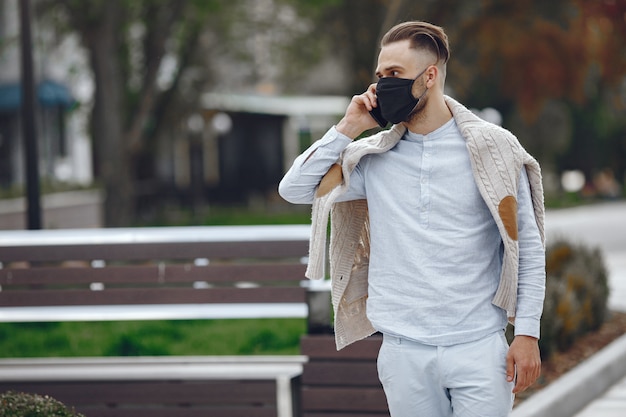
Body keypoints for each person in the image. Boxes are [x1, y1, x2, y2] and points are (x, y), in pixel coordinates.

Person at [279, 21, 546, 417]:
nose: (383, 84)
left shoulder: (494, 151)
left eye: (395, 74)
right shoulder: (371, 159)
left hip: (478, 346)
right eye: (380, 75)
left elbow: (527, 245)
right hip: (403, 351)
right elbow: (295, 189)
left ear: (430, 76)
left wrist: (526, 334)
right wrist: (349, 126)